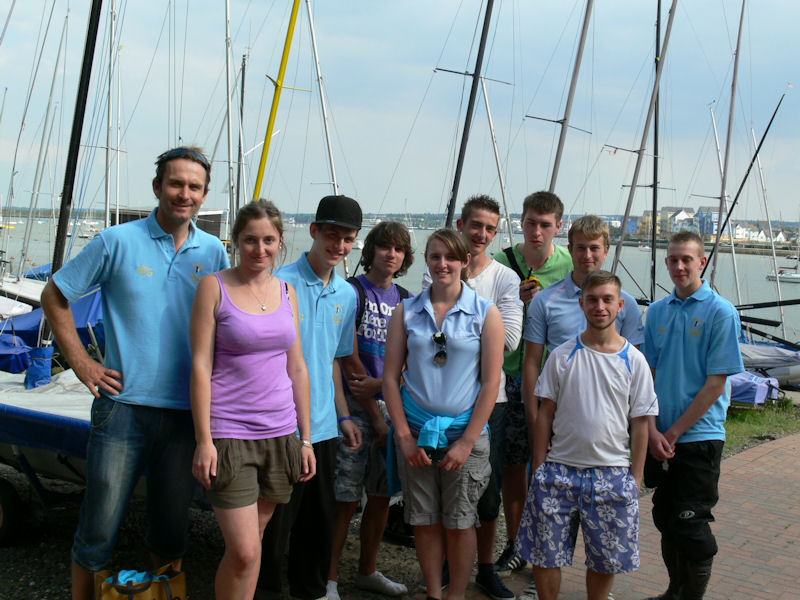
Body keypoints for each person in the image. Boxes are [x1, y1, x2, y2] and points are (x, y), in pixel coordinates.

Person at [40, 146, 230, 600]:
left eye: (194, 187)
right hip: (122, 409)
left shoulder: (215, 251)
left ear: (204, 195)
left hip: (186, 415)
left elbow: (229, 324)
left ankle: (163, 595)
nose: (184, 194)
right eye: (176, 183)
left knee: (170, 530)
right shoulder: (117, 241)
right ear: (157, 187)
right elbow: (54, 296)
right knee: (98, 528)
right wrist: (83, 364)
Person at [190, 199, 316, 599]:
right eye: (250, 240)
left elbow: (297, 368)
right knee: (243, 551)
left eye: (268, 240)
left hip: (280, 434)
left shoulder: (287, 291)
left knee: (255, 542)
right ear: (235, 241)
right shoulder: (215, 287)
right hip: (230, 434)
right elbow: (199, 367)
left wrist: (306, 438)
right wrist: (204, 440)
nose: (259, 250)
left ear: (280, 242)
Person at [516, 270, 657, 600]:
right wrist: (539, 468)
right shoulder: (563, 355)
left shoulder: (634, 362)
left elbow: (640, 423)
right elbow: (545, 412)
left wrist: (634, 480)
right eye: (592, 300)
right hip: (559, 470)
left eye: (608, 300)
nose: (600, 307)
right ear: (581, 304)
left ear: (621, 305)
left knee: (605, 560)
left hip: (612, 474)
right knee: (545, 555)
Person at [384, 228, 504, 600]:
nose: (442, 264)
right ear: (426, 260)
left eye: (451, 257)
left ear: (465, 261)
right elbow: (390, 378)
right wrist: (403, 435)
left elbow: (490, 383)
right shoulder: (407, 312)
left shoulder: (486, 314)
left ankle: (455, 596)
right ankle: (434, 593)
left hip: (463, 436)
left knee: (459, 522)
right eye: (435, 256)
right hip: (416, 434)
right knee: (424, 520)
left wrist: (467, 442)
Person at [256, 195, 363, 600]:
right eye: (332, 235)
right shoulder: (278, 282)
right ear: (314, 231)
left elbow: (333, 361)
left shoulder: (347, 295)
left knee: (318, 525)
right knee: (275, 523)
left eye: (348, 239)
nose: (338, 245)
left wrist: (344, 416)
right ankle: (265, 591)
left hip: (323, 427)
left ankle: (311, 590)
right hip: (280, 424)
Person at [422, 195, 523, 600]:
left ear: (495, 234)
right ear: (461, 224)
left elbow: (511, 342)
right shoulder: (439, 270)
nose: (480, 234)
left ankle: (484, 568)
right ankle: (448, 569)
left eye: (489, 229)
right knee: (441, 487)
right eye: (475, 225)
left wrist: (467, 327)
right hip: (440, 400)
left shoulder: (504, 279)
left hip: (488, 401)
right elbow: (428, 335)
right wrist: (477, 333)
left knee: (486, 489)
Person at [643, 231, 744, 600]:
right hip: (660, 435)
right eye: (673, 259)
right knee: (665, 519)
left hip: (699, 436)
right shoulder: (656, 312)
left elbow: (716, 384)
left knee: (691, 524)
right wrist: (652, 429)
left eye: (687, 259)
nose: (680, 266)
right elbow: (648, 378)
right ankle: (674, 591)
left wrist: (673, 433)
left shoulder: (721, 312)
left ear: (702, 262)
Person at [326, 221, 414, 600]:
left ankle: (367, 570)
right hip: (356, 412)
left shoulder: (407, 300)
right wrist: (374, 413)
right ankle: (328, 577)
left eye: (397, 249)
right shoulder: (352, 291)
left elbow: (412, 358)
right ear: (371, 250)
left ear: (405, 257)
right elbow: (347, 356)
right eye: (384, 247)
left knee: (380, 497)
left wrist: (386, 389)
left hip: (390, 405)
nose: (390, 254)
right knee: (344, 499)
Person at [491, 191, 572, 578]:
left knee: (551, 465)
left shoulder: (571, 267)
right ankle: (514, 542)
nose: (537, 232)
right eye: (530, 223)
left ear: (559, 225)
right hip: (508, 376)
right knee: (512, 466)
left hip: (552, 382)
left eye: (545, 224)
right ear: (520, 222)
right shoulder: (504, 264)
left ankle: (547, 542)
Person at [522, 214, 644, 447]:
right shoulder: (545, 301)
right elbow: (532, 363)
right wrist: (535, 420)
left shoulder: (624, 305)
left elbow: (634, 369)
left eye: (594, 248)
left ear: (606, 250)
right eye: (580, 248)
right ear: (570, 249)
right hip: (557, 412)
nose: (587, 255)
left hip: (609, 419)